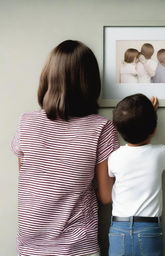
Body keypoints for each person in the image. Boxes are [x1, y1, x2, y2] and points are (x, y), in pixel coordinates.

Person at [11, 40, 119, 256]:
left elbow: (27, 176)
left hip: (31, 243)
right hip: (77, 246)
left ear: (48, 78)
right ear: (90, 82)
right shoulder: (101, 127)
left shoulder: (26, 122)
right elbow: (107, 196)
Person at [107, 93, 165, 256]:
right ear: (154, 129)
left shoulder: (114, 157)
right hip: (148, 229)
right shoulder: (161, 153)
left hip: (118, 229)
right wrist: (151, 115)